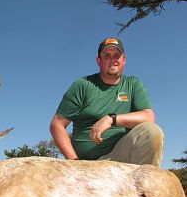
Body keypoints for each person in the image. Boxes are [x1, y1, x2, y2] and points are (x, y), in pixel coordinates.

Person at [50, 37, 163, 167]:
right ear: (99, 60)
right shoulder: (82, 85)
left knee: (152, 131)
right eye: (107, 56)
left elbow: (149, 116)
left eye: (117, 55)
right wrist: (74, 163)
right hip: (87, 165)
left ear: (124, 60)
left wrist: (111, 119)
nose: (113, 60)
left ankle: (145, 184)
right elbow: (57, 124)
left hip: (121, 157)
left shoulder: (133, 84)